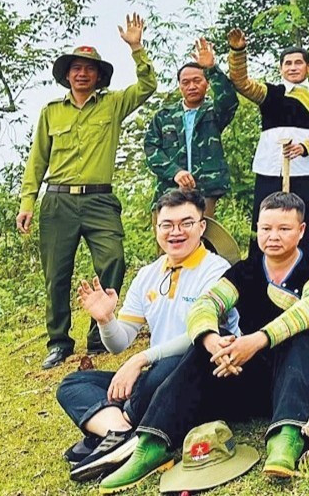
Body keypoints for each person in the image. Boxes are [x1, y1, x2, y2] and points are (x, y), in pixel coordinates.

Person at [99, 192, 309, 491]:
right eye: (266, 229)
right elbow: (206, 304)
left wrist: (256, 341)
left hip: (306, 377)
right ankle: (152, 442)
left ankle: (286, 436)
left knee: (298, 338)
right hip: (254, 380)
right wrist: (212, 341)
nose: (273, 237)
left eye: (284, 229)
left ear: (301, 230)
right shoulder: (245, 271)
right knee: (202, 345)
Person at [57, 190, 239, 483]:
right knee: (73, 384)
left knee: (169, 368)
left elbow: (203, 335)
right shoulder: (148, 275)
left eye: (186, 223)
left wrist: (140, 359)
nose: (175, 232)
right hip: (153, 379)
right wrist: (105, 319)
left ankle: (112, 430)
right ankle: (123, 434)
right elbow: (119, 342)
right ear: (156, 227)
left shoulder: (218, 270)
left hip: (198, 374)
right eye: (167, 224)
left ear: (202, 226)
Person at [18, 14, 156, 370]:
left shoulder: (111, 104)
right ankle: (59, 342)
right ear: (67, 75)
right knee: (57, 274)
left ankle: (100, 333)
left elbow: (147, 86)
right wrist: (27, 201)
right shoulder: (51, 113)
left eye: (89, 69)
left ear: (98, 76)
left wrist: (136, 48)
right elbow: (37, 159)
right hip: (58, 200)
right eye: (76, 68)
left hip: (99, 199)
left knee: (113, 259)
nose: (82, 74)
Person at [226, 27, 309, 264]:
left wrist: (305, 147)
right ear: (281, 68)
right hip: (269, 168)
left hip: (302, 169)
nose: (293, 67)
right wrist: (238, 51)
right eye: (288, 63)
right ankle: (259, 269)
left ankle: (303, 269)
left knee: (303, 221)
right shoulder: (268, 93)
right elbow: (241, 82)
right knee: (264, 220)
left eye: (298, 63)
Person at [143, 38, 239, 217]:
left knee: (203, 238)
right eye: (185, 82)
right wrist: (175, 172)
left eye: (197, 80)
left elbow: (229, 100)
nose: (192, 86)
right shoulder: (164, 116)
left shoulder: (213, 112)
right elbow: (151, 150)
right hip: (169, 190)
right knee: (169, 239)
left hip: (206, 190)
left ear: (207, 83)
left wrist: (212, 69)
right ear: (179, 86)